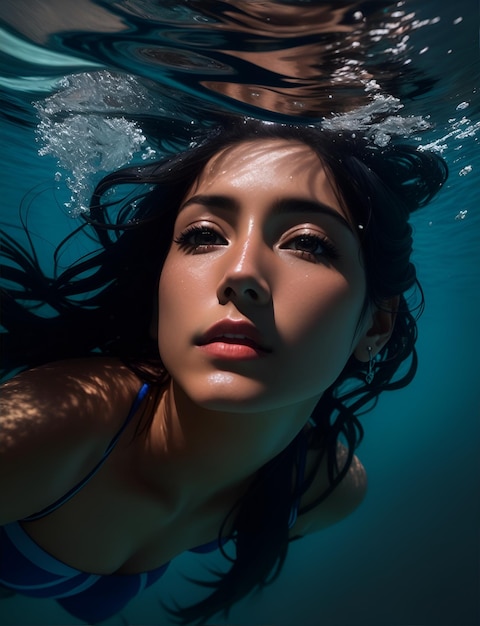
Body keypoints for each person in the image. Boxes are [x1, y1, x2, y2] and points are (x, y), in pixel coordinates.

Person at [0, 118, 448, 624]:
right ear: (157, 302)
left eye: (308, 242)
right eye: (203, 234)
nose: (240, 274)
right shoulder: (49, 425)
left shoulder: (324, 491)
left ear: (377, 325)